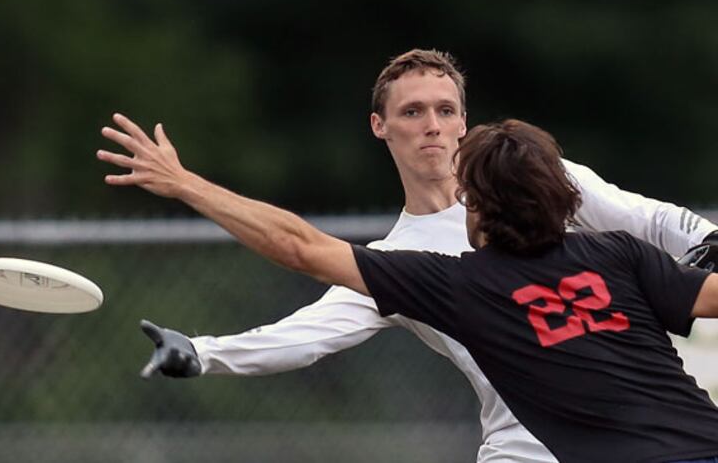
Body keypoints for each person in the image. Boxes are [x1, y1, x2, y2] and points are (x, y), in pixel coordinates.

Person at [97, 50, 718, 462]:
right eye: (413, 112)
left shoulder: (536, 180)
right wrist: (207, 353)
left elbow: (649, 219)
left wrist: (703, 247)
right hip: (530, 448)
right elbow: (308, 330)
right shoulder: (407, 262)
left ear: (465, 120)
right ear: (379, 126)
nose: (433, 126)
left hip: (652, 430)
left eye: (446, 111)